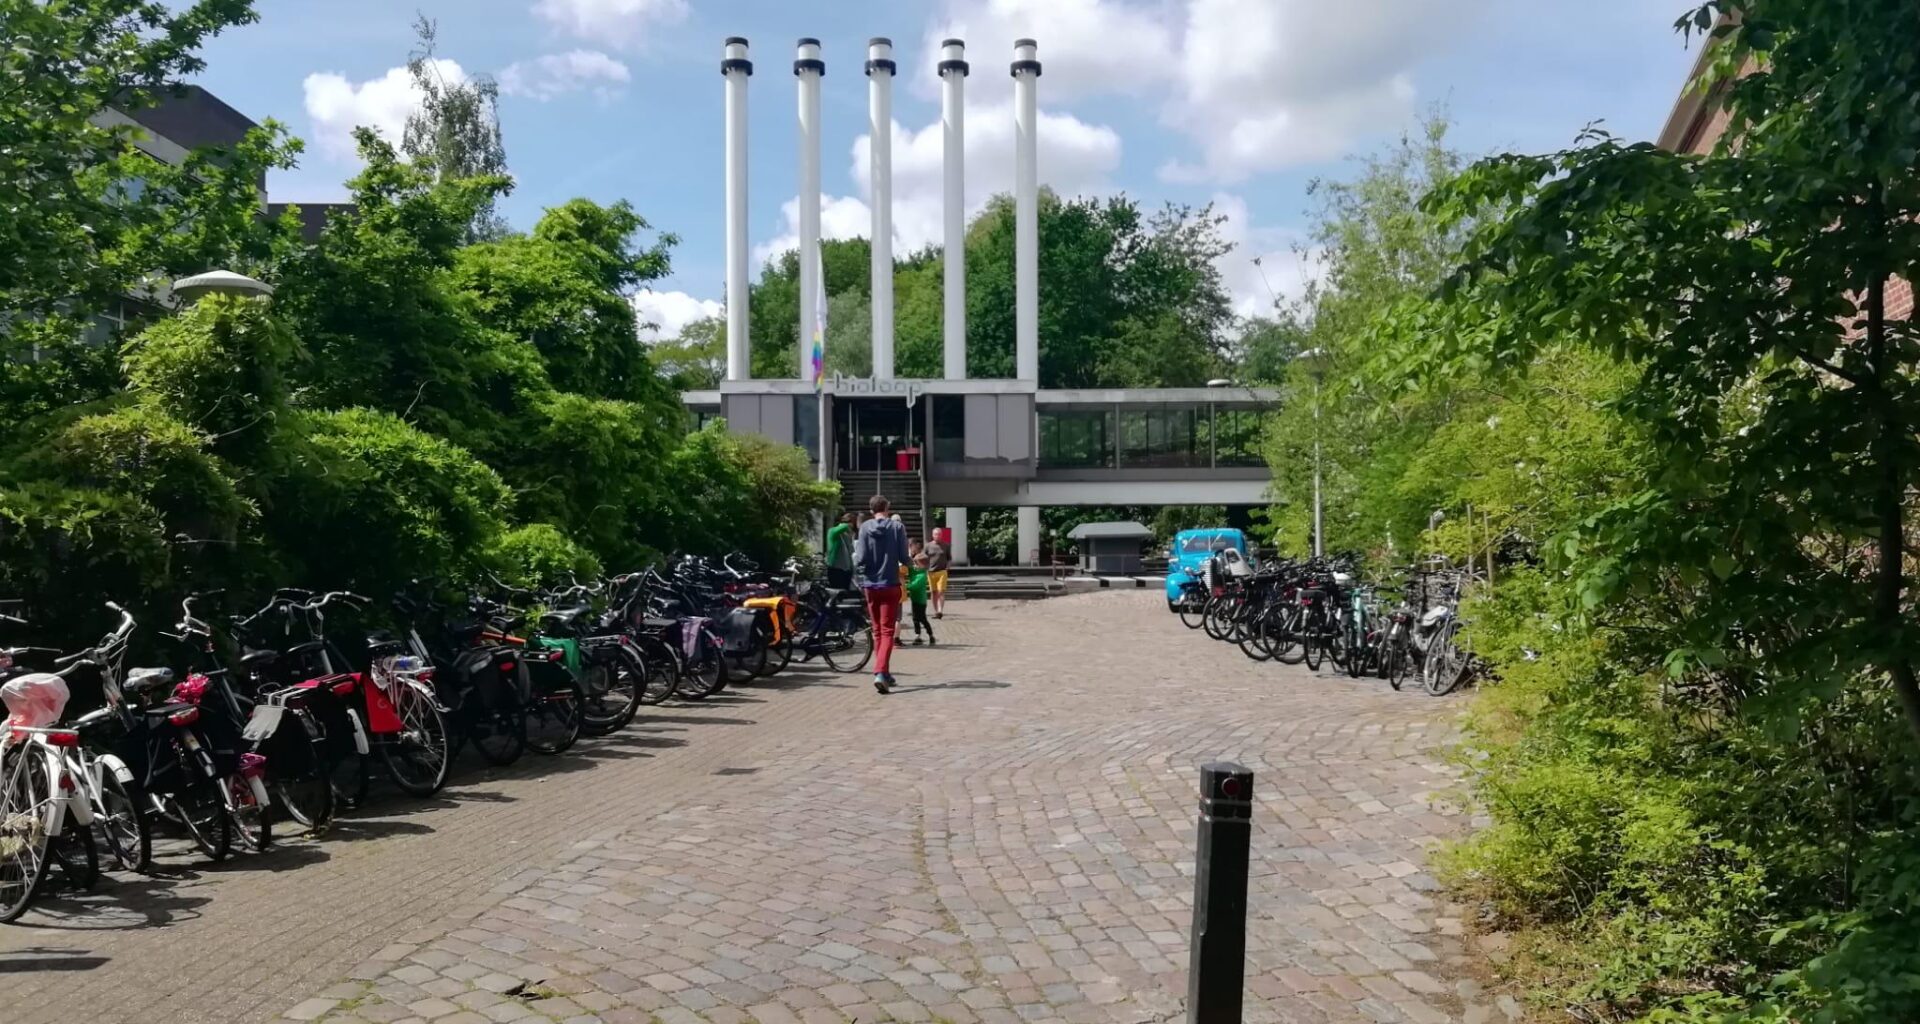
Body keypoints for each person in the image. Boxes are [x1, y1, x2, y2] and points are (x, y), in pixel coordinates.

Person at [854, 495, 911, 693]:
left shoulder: (864, 528)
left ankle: (885, 673)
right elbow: (904, 556)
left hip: (870, 585)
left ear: (871, 510)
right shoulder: (897, 527)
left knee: (877, 630)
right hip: (890, 583)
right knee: (887, 631)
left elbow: (861, 557)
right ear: (887, 508)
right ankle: (879, 672)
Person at [905, 551, 935, 645]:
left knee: (922, 619)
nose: (915, 565)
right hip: (914, 599)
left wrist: (904, 586)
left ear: (923, 565)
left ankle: (930, 635)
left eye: (917, 564)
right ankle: (918, 635)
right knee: (915, 618)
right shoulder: (917, 571)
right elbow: (910, 570)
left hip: (921, 601)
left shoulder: (922, 575)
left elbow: (914, 586)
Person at [824, 511, 858, 590]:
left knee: (845, 593)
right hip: (836, 569)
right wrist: (850, 522)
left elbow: (850, 554)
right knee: (838, 592)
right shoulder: (832, 532)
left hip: (847, 571)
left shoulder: (848, 536)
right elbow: (844, 527)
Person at [925, 536, 950, 618]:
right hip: (931, 572)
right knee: (933, 592)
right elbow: (924, 557)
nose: (938, 536)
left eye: (939, 534)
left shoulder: (946, 545)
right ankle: (936, 611)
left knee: (941, 591)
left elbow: (949, 558)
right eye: (936, 534)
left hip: (942, 571)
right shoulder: (928, 546)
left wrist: (948, 566)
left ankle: (940, 611)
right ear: (933, 535)